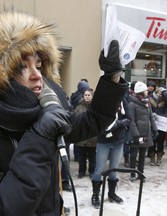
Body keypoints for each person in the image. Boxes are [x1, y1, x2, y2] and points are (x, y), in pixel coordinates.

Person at [0, 11, 128, 216]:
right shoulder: (41, 123)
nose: (36, 75)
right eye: (22, 67)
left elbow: (93, 121)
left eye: (39, 66)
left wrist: (111, 77)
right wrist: (39, 137)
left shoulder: (46, 111)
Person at [91, 98, 131, 209]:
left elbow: (129, 118)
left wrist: (118, 124)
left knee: (114, 169)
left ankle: (111, 193)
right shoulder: (103, 100)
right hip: (104, 141)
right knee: (99, 168)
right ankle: (95, 195)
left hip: (119, 141)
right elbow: (96, 119)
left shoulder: (123, 100)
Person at [127, 81, 158, 182]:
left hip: (145, 133)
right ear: (140, 92)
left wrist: (155, 129)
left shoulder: (147, 102)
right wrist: (136, 135)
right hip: (137, 134)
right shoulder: (132, 104)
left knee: (142, 155)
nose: (147, 92)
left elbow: (151, 117)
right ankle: (132, 174)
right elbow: (131, 121)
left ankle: (140, 173)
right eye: (145, 90)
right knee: (133, 155)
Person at [74, 89, 97, 179]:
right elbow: (75, 119)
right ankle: (81, 171)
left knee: (92, 156)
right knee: (81, 156)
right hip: (82, 136)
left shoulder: (95, 108)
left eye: (89, 95)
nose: (87, 97)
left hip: (92, 136)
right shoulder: (79, 107)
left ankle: (92, 171)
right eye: (85, 95)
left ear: (92, 96)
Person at [148, 86, 167, 166]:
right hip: (153, 121)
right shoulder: (151, 98)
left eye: (161, 93)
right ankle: (152, 157)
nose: (159, 94)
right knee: (152, 141)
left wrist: (164, 93)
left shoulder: (165, 100)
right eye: (158, 92)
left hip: (162, 123)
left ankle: (159, 157)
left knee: (160, 141)